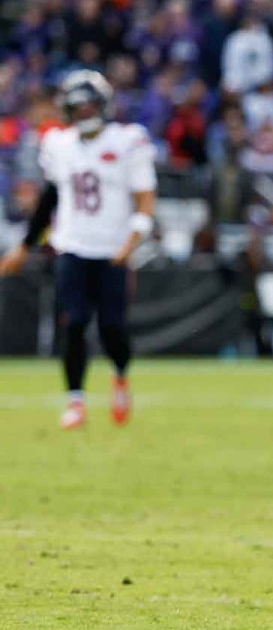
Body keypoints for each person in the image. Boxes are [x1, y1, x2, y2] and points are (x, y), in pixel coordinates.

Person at [0, 69, 157, 429]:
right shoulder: (59, 144)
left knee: (112, 329)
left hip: (113, 248)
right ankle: (76, 400)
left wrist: (133, 239)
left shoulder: (128, 141)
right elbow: (50, 198)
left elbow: (145, 198)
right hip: (71, 245)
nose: (84, 113)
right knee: (73, 324)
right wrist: (25, 246)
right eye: (77, 108)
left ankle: (119, 376)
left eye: (89, 106)